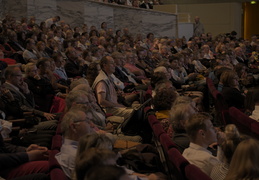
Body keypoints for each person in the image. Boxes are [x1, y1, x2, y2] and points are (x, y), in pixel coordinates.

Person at [55, 105, 96, 179]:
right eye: (87, 121)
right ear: (73, 127)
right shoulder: (76, 156)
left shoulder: (75, 149)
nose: (92, 125)